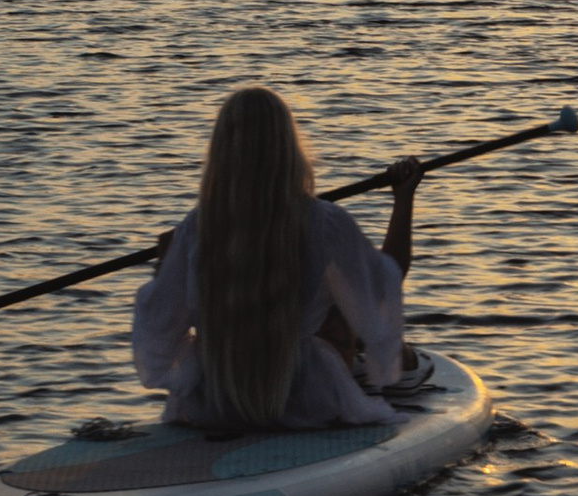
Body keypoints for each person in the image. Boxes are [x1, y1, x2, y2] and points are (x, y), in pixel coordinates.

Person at [132, 86, 426, 432]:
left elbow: (158, 332)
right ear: (288, 147)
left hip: (212, 401)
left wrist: (164, 269)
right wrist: (404, 199)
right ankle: (401, 367)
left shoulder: (197, 228)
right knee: (349, 322)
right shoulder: (324, 223)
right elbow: (382, 286)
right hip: (305, 399)